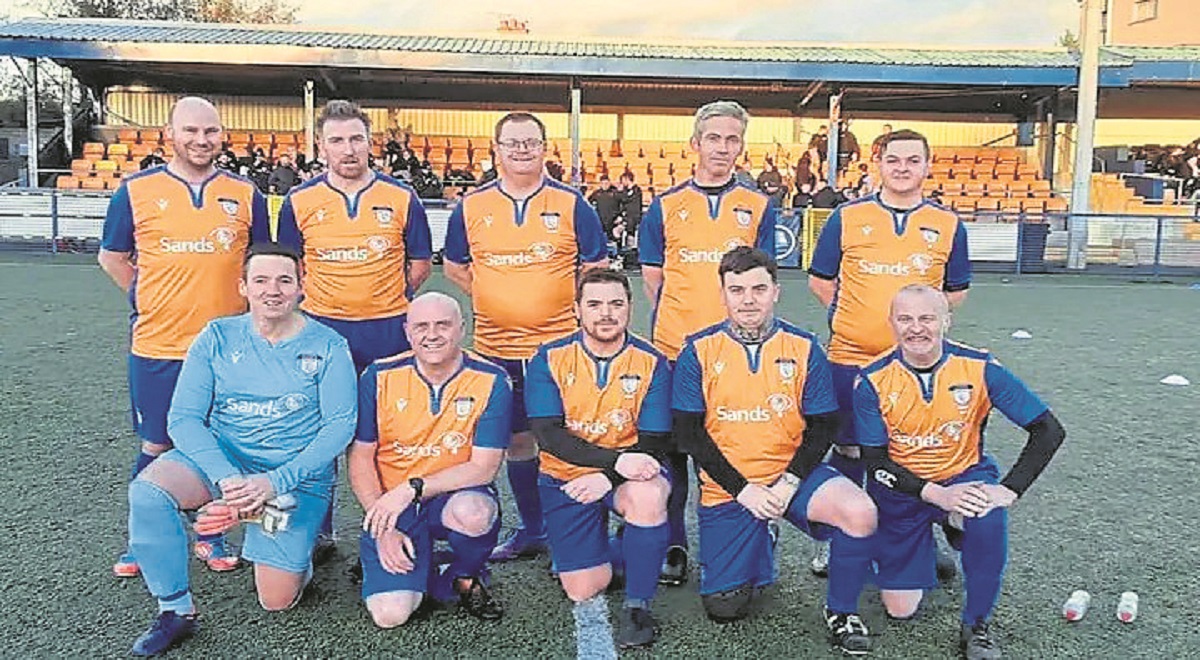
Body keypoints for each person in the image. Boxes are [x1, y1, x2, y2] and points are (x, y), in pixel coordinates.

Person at [125, 243, 358, 656]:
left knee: (277, 600)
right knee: (147, 492)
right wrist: (228, 480)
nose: (273, 290)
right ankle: (175, 610)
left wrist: (273, 483)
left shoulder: (329, 346)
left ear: (301, 287)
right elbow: (184, 419)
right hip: (226, 464)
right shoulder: (217, 336)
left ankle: (280, 537)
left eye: (284, 280)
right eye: (261, 280)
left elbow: (339, 427)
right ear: (243, 287)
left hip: (290, 481)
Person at [672, 247, 877, 655]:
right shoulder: (697, 350)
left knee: (860, 512)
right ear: (723, 294)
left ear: (776, 292)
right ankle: (762, 533)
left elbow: (822, 426)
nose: (748, 300)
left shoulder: (804, 346)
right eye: (737, 290)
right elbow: (689, 434)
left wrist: (789, 482)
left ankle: (841, 611)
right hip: (730, 488)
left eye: (759, 289)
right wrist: (743, 490)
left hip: (791, 477)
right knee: (725, 607)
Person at [99, 96, 271, 579]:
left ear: (222, 136)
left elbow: (261, 264)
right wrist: (148, 297)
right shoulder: (136, 191)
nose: (201, 140)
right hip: (159, 348)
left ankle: (211, 536)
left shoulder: (245, 194)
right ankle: (144, 540)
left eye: (210, 131)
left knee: (218, 446)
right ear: (169, 134)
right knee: (156, 445)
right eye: (191, 131)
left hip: (228, 351)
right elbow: (113, 257)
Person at [855, 284, 1066, 660]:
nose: (916, 328)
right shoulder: (871, 379)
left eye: (927, 318)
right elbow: (875, 463)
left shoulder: (980, 367)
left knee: (986, 513)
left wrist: (1011, 489)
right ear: (891, 323)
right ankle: (927, 542)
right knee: (900, 610)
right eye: (905, 319)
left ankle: (976, 625)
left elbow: (1048, 430)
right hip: (901, 492)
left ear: (946, 321)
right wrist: (937, 495)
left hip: (962, 475)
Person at [443, 112, 608, 563]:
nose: (521, 150)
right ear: (496, 149)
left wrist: (556, 302)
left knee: (569, 439)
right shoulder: (472, 206)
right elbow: (455, 266)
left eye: (530, 142)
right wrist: (496, 295)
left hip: (559, 350)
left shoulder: (572, 203)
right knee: (518, 441)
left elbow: (595, 266)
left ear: (544, 147)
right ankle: (534, 530)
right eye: (512, 143)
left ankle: (573, 533)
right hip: (496, 349)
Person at [806, 129, 970, 575]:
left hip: (916, 367)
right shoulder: (847, 216)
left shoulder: (947, 224)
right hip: (851, 358)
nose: (902, 168)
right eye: (893, 159)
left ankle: (914, 539)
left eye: (913, 160)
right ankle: (836, 539)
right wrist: (851, 318)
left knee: (912, 452)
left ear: (927, 166)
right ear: (878, 164)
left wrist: (918, 332)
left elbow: (955, 291)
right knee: (849, 449)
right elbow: (820, 281)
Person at [275, 99, 433, 557]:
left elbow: (419, 264)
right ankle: (318, 532)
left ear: (370, 142)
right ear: (321, 146)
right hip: (322, 334)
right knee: (317, 434)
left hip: (387, 332)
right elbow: (291, 266)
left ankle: (391, 529)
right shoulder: (300, 201)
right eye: (337, 140)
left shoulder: (401, 197)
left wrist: (382, 299)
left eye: (356, 139)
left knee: (389, 436)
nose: (348, 149)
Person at [638, 100, 776, 586]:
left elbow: (760, 281)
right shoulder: (665, 205)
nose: (722, 147)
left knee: (740, 448)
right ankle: (674, 543)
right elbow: (653, 279)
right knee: (673, 453)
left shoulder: (758, 206)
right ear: (695, 143)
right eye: (713, 138)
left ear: (741, 146)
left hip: (738, 354)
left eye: (732, 139)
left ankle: (751, 535)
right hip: (675, 352)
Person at [525, 270, 673, 654]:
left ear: (629, 307)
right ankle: (626, 545)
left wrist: (609, 475)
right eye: (594, 304)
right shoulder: (548, 358)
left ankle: (638, 606)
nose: (606, 313)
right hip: (567, 476)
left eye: (615, 304)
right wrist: (614, 463)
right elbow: (548, 434)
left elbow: (654, 439)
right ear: (577, 309)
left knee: (648, 496)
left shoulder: (652, 361)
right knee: (583, 588)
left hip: (630, 474)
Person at [349, 292, 510, 627]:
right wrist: (383, 528)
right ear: (407, 332)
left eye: (443, 325)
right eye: (422, 326)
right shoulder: (378, 376)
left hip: (451, 495)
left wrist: (413, 487)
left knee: (475, 513)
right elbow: (361, 458)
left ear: (462, 328)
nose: (432, 335)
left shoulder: (492, 379)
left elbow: (484, 468)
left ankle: (464, 575)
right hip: (393, 506)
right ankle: (412, 561)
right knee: (390, 615)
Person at [588, 174, 623, 240]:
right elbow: (588, 203)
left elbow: (624, 204)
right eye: (603, 183)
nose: (605, 185)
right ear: (600, 184)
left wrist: (620, 216)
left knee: (614, 240)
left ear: (609, 183)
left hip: (613, 222)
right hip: (601, 222)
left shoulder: (615, 193)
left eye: (606, 183)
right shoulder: (596, 194)